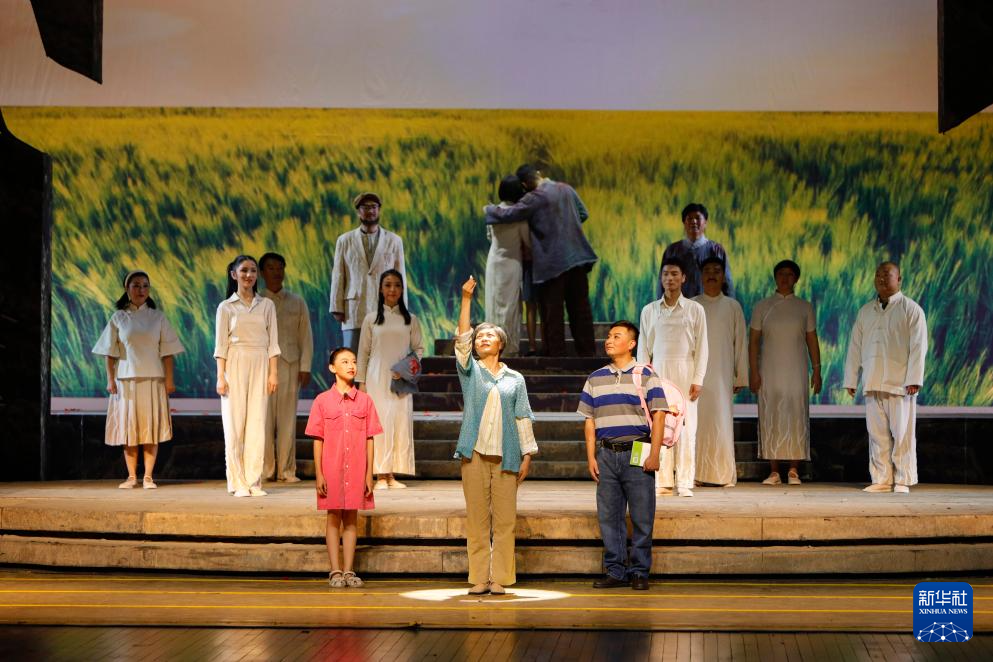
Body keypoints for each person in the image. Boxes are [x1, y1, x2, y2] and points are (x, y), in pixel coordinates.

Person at [454, 275, 537, 595]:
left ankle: (500, 577)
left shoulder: (515, 378)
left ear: (501, 343)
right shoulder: (470, 371)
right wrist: (466, 300)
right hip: (474, 453)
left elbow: (522, 416)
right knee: (477, 520)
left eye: (489, 335)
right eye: (479, 336)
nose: (482, 338)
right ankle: (479, 577)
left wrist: (527, 454)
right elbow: (462, 339)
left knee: (504, 522)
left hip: (507, 456)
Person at [580, 321, 669, 590]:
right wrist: (591, 457)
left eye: (616, 336)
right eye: (608, 336)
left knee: (642, 514)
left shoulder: (646, 375)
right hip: (607, 452)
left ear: (631, 344)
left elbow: (659, 415)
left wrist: (655, 454)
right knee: (609, 516)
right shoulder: (595, 378)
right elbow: (589, 420)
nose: (609, 340)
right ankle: (616, 570)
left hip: (638, 449)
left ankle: (640, 571)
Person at [484, 164, 597, 357]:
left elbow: (509, 214)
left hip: (553, 263)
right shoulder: (566, 188)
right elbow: (583, 214)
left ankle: (557, 359)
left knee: (553, 312)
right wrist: (566, 226)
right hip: (578, 258)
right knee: (581, 310)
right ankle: (587, 355)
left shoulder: (534, 198)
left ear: (525, 184)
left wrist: (488, 209)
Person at [91, 270, 184, 489]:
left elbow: (168, 352)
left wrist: (169, 380)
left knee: (150, 427)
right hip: (126, 380)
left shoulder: (158, 317)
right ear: (127, 289)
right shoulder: (118, 317)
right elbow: (109, 353)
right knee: (129, 427)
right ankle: (132, 476)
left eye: (145, 286)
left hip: (153, 379)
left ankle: (149, 477)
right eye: (136, 285)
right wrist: (110, 380)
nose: (141, 290)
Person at [843, 262, 927, 494]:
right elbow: (855, 347)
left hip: (900, 383)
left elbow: (919, 346)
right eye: (878, 275)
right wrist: (851, 379)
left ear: (899, 279)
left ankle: (903, 479)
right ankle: (881, 479)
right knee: (877, 434)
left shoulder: (911, 310)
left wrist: (914, 379)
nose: (881, 278)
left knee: (902, 434)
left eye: (887, 275)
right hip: (872, 380)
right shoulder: (865, 311)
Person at [306, 347, 381, 587]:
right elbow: (318, 439)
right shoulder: (322, 401)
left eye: (354, 361)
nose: (351, 366)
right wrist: (319, 474)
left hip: (357, 468)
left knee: (351, 519)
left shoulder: (365, 401)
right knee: (333, 517)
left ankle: (349, 571)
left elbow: (370, 439)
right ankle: (335, 571)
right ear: (332, 368)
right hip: (332, 468)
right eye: (345, 361)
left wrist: (369, 474)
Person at [638, 257, 708, 497]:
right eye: (666, 274)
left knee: (686, 429)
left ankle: (685, 481)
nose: (670, 278)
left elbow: (702, 347)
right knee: (660, 424)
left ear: (683, 278)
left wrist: (698, 378)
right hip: (658, 373)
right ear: (661, 278)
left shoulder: (695, 310)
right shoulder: (649, 310)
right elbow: (643, 348)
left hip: (686, 373)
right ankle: (662, 480)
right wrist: (642, 378)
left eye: (675, 274)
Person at [749, 260, 822, 486]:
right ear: (775, 277)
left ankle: (793, 469)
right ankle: (773, 471)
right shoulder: (762, 306)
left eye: (790, 274)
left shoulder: (804, 307)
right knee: (771, 413)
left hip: (796, 370)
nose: (785, 278)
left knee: (796, 414)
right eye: (781, 274)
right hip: (769, 370)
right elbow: (753, 341)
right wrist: (753, 371)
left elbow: (812, 339)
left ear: (796, 279)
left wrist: (817, 370)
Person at [215, 255, 280, 497]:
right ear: (234, 274)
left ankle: (254, 481)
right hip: (235, 362)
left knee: (257, 424)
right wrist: (221, 376)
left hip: (260, 362)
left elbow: (273, 343)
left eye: (253, 270)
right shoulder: (226, 307)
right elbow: (220, 346)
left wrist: (273, 373)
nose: (248, 275)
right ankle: (238, 481)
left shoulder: (267, 305)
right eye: (244, 270)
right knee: (234, 425)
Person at [356, 269, 425, 489]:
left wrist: (405, 369)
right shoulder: (371, 319)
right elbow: (363, 352)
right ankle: (379, 475)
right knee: (379, 423)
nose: (392, 289)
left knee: (399, 422)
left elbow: (419, 349)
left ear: (402, 289)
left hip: (401, 380)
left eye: (396, 285)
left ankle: (392, 475)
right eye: (387, 285)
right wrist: (361, 383)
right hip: (376, 378)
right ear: (380, 289)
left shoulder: (410, 319)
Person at [693, 257, 748, 487]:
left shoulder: (732, 306)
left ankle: (723, 474)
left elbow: (740, 342)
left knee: (722, 421)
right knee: (697, 423)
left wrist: (740, 375)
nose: (712, 275)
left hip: (723, 374)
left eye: (717, 270)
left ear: (723, 276)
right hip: (696, 376)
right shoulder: (693, 305)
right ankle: (695, 474)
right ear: (701, 276)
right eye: (707, 270)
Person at [260, 252, 314, 483]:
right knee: (263, 420)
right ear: (262, 272)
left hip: (290, 365)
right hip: (262, 368)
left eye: (280, 267)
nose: (276, 272)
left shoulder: (296, 301)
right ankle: (265, 470)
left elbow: (305, 335)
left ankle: (286, 470)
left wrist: (305, 366)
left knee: (287, 421)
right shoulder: (256, 301)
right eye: (271, 268)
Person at [330, 192, 406, 352]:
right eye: (365, 207)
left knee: (384, 358)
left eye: (374, 207)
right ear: (358, 211)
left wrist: (402, 309)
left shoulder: (394, 240)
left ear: (379, 210)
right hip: (354, 311)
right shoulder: (344, 240)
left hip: (386, 309)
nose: (370, 211)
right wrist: (337, 307)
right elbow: (338, 275)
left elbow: (401, 277)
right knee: (353, 358)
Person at [484, 175, 530, 358]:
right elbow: (527, 241)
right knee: (510, 307)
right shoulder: (519, 217)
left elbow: (490, 236)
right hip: (512, 263)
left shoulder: (492, 212)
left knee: (493, 303)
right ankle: (509, 348)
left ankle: (492, 347)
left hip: (494, 262)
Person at [658, 203, 734, 299]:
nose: (694, 221)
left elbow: (727, 284)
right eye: (689, 218)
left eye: (698, 218)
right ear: (684, 223)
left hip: (710, 306)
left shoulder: (717, 250)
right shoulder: (672, 251)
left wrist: (729, 305)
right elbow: (662, 284)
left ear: (705, 222)